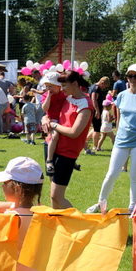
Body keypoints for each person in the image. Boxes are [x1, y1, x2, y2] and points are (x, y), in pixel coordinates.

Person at [86, 64, 136, 214]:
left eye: (135, 76)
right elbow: (118, 117)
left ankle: (132, 208)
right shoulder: (122, 96)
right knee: (111, 174)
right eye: (130, 76)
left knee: (134, 175)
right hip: (122, 140)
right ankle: (100, 203)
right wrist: (118, 131)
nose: (132, 79)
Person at [40, 70, 92, 208]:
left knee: (56, 196)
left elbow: (74, 132)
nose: (62, 89)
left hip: (66, 153)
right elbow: (48, 111)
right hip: (51, 145)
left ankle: (81, 223)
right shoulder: (68, 97)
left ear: (75, 84)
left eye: (64, 86)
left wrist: (53, 125)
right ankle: (58, 225)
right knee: (53, 195)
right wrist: (45, 118)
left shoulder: (85, 105)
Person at [88, 76, 110, 152]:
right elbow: (93, 99)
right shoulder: (96, 88)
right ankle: (95, 146)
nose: (104, 88)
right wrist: (97, 111)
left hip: (94, 110)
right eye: (104, 86)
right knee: (97, 129)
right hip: (95, 111)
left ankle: (85, 141)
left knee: (95, 128)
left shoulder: (93, 86)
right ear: (102, 82)